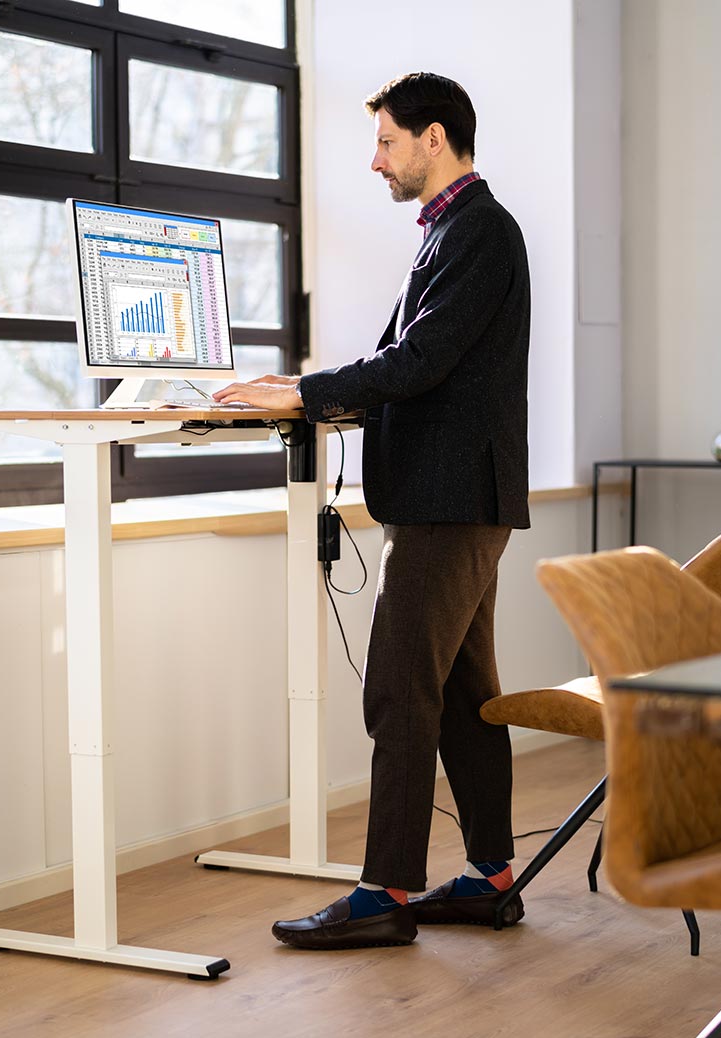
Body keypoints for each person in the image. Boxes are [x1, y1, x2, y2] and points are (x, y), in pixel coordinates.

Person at [215, 71, 532, 950]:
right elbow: (418, 360)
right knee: (465, 692)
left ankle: (387, 889)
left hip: (450, 499)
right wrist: (305, 391)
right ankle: (490, 875)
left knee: (398, 684)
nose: (376, 160)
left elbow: (420, 360)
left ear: (435, 138)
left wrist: (303, 393)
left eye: (388, 142)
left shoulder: (478, 231)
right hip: (456, 493)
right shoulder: (457, 231)